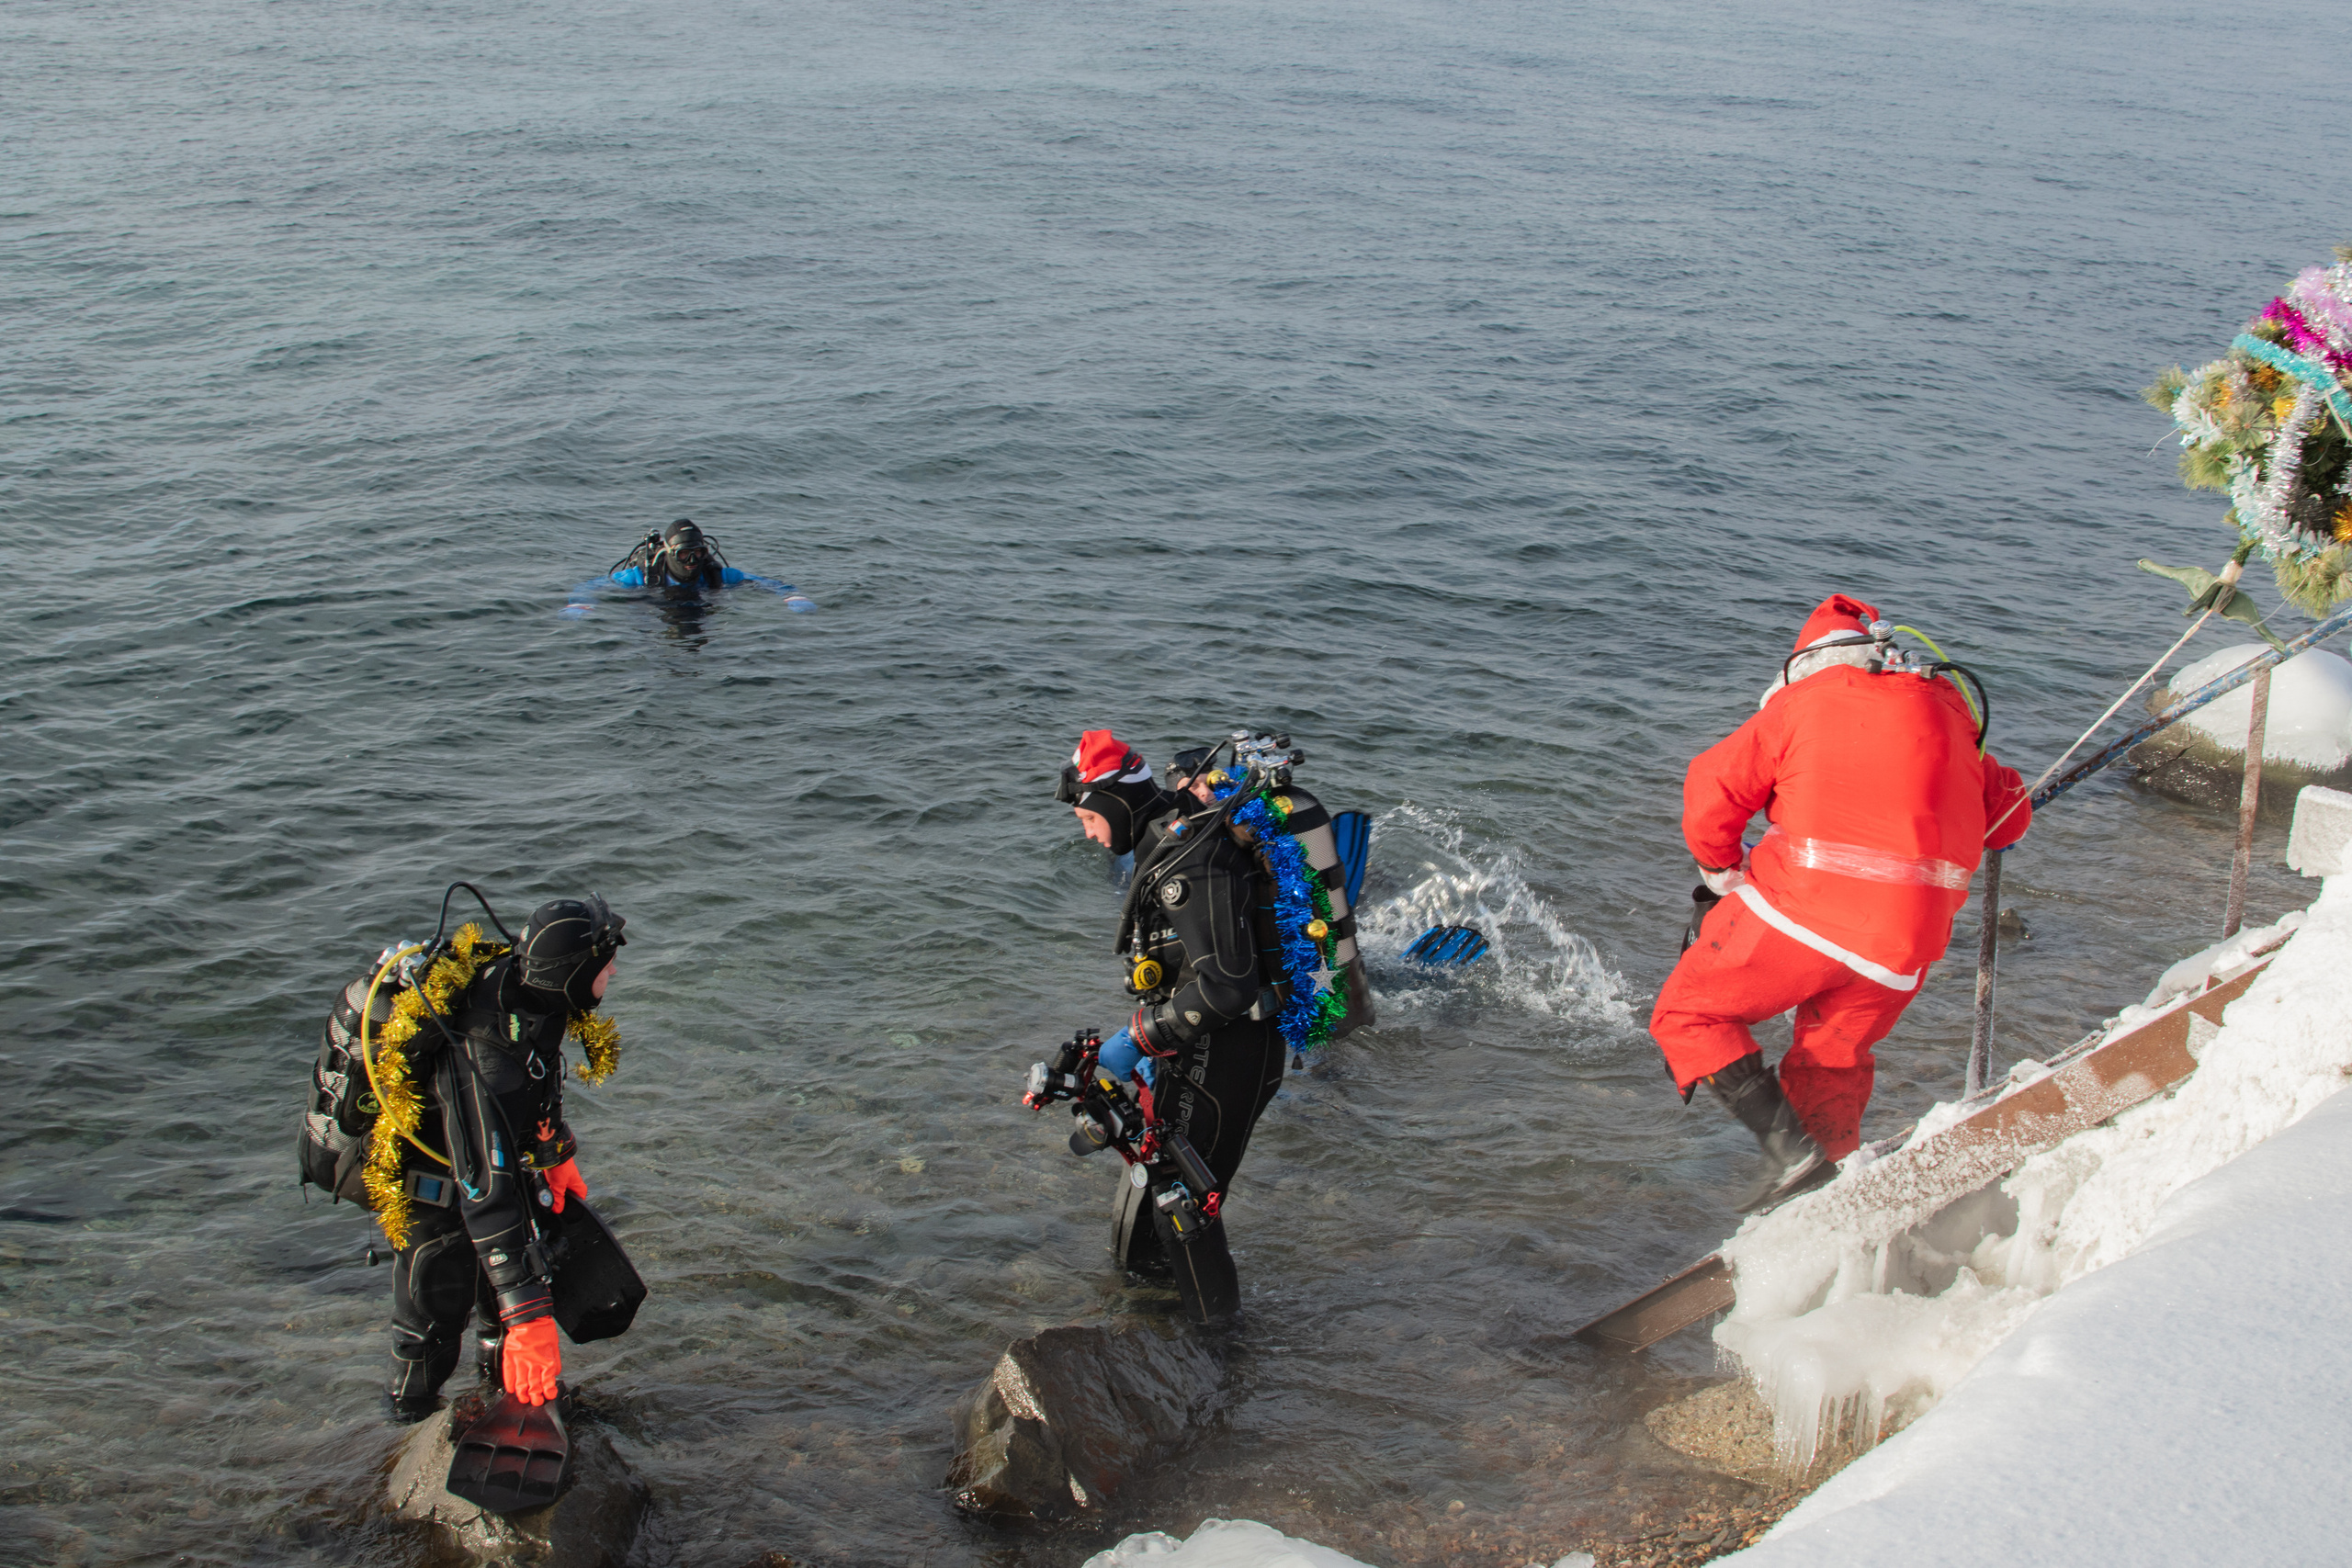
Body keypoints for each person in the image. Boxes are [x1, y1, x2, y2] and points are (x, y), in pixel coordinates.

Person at [1650, 593, 2031, 1213]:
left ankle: (1788, 1153)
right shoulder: (1953, 712)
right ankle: (1825, 1182)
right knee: (1834, 1055)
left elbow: (1710, 787)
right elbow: (2010, 816)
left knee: (1689, 1015)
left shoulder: (1804, 704)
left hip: (1809, 912)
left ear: (1806, 665)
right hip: (1905, 951)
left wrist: (1719, 869)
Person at [1044, 729, 1289, 1323]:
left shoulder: (1186, 858)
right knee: (1158, 1191)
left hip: (1231, 1054)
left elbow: (1227, 985)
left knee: (1183, 1207)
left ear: (1111, 804)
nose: (1087, 832)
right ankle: (1152, 1327)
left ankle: (1219, 1351)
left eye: (1087, 817)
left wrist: (1139, 1038)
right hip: (1206, 1048)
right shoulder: (1171, 833)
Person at [353, 896, 628, 1419]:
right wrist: (531, 1319)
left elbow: (541, 1073)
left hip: (484, 1161)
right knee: (434, 1315)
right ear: (571, 972)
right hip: (430, 1185)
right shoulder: (485, 1056)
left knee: (496, 1308)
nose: (613, 968)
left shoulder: (534, 994)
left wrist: (555, 1150)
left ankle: (503, 1401)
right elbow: (486, 1189)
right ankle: (405, 1431)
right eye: (603, 961)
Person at [603, 519, 809, 602]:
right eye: (684, 554)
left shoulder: (716, 575)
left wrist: (794, 598)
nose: (692, 560)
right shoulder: (640, 577)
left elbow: (765, 583)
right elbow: (595, 586)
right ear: (668, 552)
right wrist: (580, 604)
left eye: (699, 552)